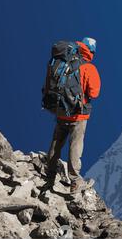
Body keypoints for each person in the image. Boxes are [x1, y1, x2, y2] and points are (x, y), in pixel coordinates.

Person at [43, 37, 101, 194]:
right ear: (91, 51)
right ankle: (75, 181)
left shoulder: (61, 61)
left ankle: (49, 174)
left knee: (56, 143)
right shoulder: (88, 67)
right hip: (78, 116)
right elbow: (94, 93)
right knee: (75, 147)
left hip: (61, 111)